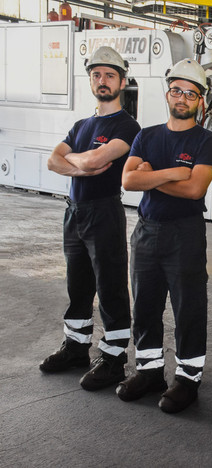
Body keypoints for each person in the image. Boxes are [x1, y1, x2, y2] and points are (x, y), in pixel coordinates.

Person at [118, 59, 212, 414]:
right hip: (146, 232)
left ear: (200, 102)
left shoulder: (207, 141)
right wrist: (175, 172)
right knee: (144, 305)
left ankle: (188, 379)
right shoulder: (146, 135)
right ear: (168, 93)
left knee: (188, 308)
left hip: (185, 235)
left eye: (190, 93)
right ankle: (149, 372)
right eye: (177, 90)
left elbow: (195, 190)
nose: (182, 97)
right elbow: (128, 181)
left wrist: (154, 174)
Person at [41, 46, 140, 392]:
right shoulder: (82, 124)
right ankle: (76, 347)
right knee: (77, 283)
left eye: (110, 75)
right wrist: (84, 165)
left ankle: (114, 359)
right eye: (96, 75)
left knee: (110, 284)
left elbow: (101, 157)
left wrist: (81, 161)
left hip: (104, 212)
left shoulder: (128, 126)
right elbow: (55, 161)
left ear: (122, 82)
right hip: (75, 211)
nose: (102, 80)